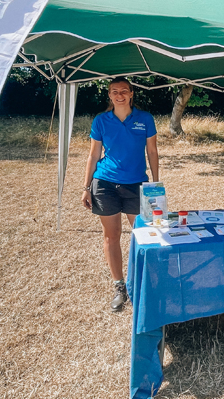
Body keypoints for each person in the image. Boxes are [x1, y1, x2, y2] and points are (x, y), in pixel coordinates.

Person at [82, 77, 159, 311]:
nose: (119, 95)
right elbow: (94, 155)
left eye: (124, 91)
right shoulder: (101, 120)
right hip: (105, 184)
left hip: (137, 185)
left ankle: (144, 284)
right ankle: (119, 286)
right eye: (115, 91)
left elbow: (152, 152)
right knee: (111, 236)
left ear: (132, 93)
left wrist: (156, 184)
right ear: (109, 95)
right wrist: (86, 188)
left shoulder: (145, 119)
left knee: (145, 235)